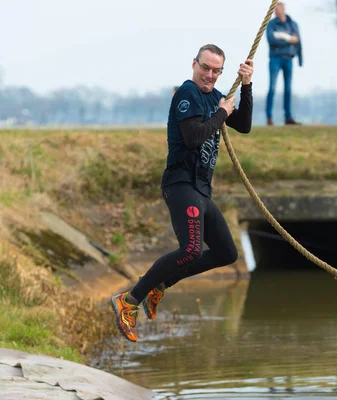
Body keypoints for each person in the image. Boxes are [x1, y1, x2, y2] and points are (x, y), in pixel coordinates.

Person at [110, 44, 254, 342]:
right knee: (190, 249)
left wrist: (247, 86)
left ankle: (160, 283)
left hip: (201, 189)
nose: (210, 75)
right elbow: (192, 138)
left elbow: (245, 125)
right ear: (194, 64)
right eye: (206, 67)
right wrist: (221, 113)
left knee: (227, 252)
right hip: (180, 184)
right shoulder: (187, 94)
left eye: (216, 71)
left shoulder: (216, 97)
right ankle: (129, 300)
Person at [265, 1, 303, 126]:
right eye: (275, 10)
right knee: (272, 88)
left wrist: (300, 59)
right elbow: (271, 40)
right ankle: (269, 117)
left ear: (283, 9)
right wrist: (288, 39)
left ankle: (288, 117)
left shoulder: (292, 24)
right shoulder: (271, 24)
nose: (276, 12)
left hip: (289, 59)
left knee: (288, 89)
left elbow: (298, 41)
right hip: (275, 59)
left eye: (278, 9)